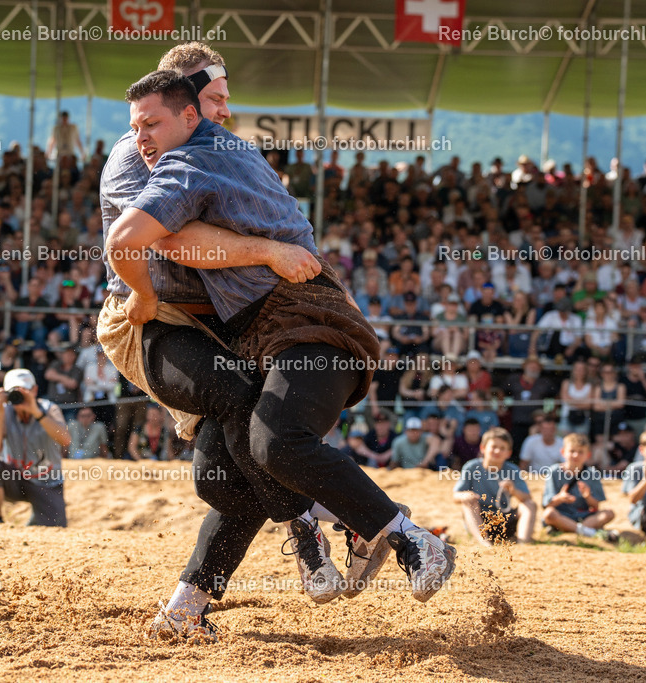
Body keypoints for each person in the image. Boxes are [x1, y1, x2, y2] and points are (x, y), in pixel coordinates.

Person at [108, 68, 455, 617]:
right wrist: (267, 250)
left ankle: (400, 534)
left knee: (273, 445)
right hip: (249, 334)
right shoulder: (152, 157)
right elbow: (159, 239)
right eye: (216, 99)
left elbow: (138, 239)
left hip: (306, 323)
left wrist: (151, 293)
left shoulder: (194, 156)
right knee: (226, 476)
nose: (225, 110)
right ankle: (188, 605)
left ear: (186, 116)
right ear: (192, 104)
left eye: (154, 123)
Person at [0, 368, 71, 527]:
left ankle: (35, 520)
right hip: (15, 478)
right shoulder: (2, 411)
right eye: (14, 392)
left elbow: (65, 440)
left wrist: (36, 412)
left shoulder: (49, 408)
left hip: (47, 482)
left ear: (34, 390)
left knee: (56, 531)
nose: (19, 396)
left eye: (24, 391)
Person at [453, 427, 536, 546]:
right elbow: (455, 495)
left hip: (505, 520)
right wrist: (465, 495)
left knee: (530, 505)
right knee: (468, 502)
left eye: (502, 448)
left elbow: (527, 498)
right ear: (483, 448)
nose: (497, 451)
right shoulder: (471, 467)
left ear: (509, 453)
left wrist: (513, 490)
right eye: (493, 447)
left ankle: (523, 543)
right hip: (482, 521)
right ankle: (484, 543)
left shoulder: (513, 469)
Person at [540, 433, 618, 542]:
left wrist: (588, 496)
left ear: (588, 455)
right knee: (549, 514)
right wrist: (560, 498)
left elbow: (595, 505)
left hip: (584, 516)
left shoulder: (593, 473)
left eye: (581, 452)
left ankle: (572, 529)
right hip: (562, 515)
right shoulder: (554, 471)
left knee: (609, 513)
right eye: (572, 451)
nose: (576, 455)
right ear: (563, 452)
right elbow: (546, 504)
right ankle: (588, 532)